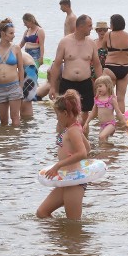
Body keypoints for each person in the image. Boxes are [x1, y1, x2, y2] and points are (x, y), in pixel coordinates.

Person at [36, 90, 90, 220]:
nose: (56, 117)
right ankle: (60, 236)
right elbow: (87, 148)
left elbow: (83, 153)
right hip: (66, 179)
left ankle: (70, 238)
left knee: (73, 224)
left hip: (75, 183)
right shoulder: (73, 128)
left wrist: (58, 165)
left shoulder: (73, 131)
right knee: (41, 213)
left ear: (65, 113)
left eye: (57, 114)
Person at [49, 15, 103, 123]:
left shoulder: (91, 43)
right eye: (89, 26)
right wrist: (52, 87)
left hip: (85, 83)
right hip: (68, 83)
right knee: (64, 115)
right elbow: (56, 65)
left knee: (85, 115)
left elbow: (97, 65)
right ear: (80, 26)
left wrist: (101, 84)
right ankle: (61, 139)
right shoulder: (65, 42)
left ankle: (83, 137)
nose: (91, 29)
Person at [0, 18, 24, 126]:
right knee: (3, 122)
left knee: (15, 119)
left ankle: (15, 142)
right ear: (3, 33)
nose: (13, 35)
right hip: (0, 88)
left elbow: (21, 68)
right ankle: (4, 142)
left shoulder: (16, 48)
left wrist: (20, 87)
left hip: (14, 87)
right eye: (11, 33)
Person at [103, 14, 128, 113]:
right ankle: (121, 124)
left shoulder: (108, 35)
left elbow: (103, 49)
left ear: (113, 24)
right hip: (125, 68)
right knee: (121, 98)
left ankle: (107, 121)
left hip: (111, 67)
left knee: (107, 97)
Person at [83, 75, 128, 143]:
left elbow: (118, 112)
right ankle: (107, 152)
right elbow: (93, 113)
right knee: (102, 141)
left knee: (102, 137)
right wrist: (86, 122)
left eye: (100, 86)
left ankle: (107, 151)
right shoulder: (97, 99)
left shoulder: (111, 99)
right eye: (97, 87)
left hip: (110, 124)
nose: (98, 88)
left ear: (108, 86)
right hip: (102, 125)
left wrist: (124, 123)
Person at [20, 47, 39, 118]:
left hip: (29, 69)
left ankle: (26, 124)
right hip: (31, 68)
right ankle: (26, 123)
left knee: (26, 101)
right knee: (24, 100)